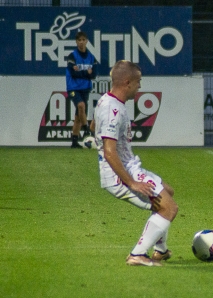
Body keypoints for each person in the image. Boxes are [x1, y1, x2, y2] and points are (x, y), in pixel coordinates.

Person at [90, 60, 178, 267]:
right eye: (138, 81)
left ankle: (160, 250)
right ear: (127, 82)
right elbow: (110, 152)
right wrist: (132, 183)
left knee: (167, 191)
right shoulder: (113, 109)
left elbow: (93, 125)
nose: (140, 86)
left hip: (129, 168)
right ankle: (137, 254)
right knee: (169, 208)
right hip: (120, 175)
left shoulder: (107, 101)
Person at [66, 31, 98, 149]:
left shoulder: (91, 57)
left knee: (79, 116)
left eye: (83, 40)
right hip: (73, 87)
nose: (81, 42)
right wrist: (86, 73)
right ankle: (87, 130)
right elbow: (73, 73)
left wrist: (81, 72)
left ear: (87, 41)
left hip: (85, 88)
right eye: (79, 40)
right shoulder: (72, 56)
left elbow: (94, 75)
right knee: (81, 106)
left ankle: (74, 142)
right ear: (76, 42)